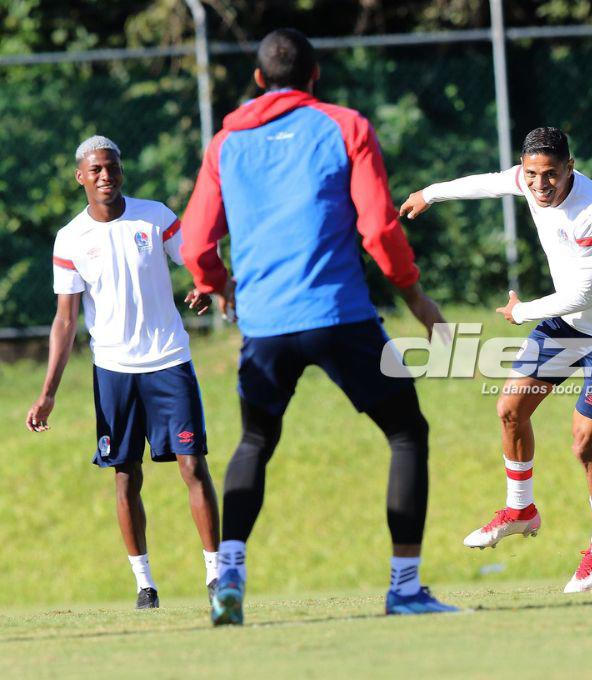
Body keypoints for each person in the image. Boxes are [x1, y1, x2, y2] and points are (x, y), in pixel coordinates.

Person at [180, 28, 456, 623]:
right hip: (339, 315)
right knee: (406, 432)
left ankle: (229, 574)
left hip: (265, 324)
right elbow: (380, 229)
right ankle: (405, 588)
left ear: (258, 79)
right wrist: (416, 299)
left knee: (255, 441)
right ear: (315, 75)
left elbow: (197, 240)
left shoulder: (225, 142)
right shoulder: (345, 126)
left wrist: (215, 285)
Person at [401, 127, 592, 593]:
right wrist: (430, 194)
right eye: (531, 175)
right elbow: (490, 182)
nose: (539, 186)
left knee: (586, 445)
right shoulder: (528, 178)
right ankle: (520, 508)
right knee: (510, 408)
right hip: (568, 322)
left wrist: (522, 312)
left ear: (570, 168)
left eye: (550, 175)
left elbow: (584, 294)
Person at [26, 135, 221, 609]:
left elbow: (195, 258)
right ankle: (144, 585)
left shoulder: (153, 216)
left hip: (169, 360)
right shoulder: (71, 238)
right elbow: (66, 320)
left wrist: (204, 283)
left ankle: (218, 575)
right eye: (95, 170)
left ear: (121, 170)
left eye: (111, 167)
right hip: (114, 370)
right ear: (80, 178)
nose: (105, 176)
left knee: (193, 466)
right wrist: (48, 392)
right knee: (125, 476)